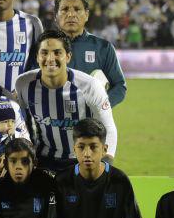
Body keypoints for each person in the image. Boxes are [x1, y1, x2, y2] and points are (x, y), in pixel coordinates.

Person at [15, 30, 118, 173]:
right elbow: (19, 122)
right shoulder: (23, 84)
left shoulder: (90, 86)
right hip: (43, 160)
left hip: (82, 161)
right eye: (44, 53)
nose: (50, 58)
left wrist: (106, 164)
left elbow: (109, 128)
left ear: (68, 56)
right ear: (37, 57)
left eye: (57, 53)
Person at [30, 0, 126, 107]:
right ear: (56, 16)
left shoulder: (103, 47)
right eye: (65, 10)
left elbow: (119, 86)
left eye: (77, 9)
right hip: (53, 120)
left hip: (90, 123)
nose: (71, 14)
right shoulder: (42, 47)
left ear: (86, 15)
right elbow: (32, 83)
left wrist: (99, 107)